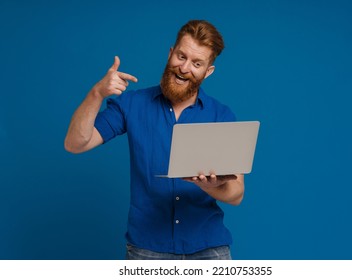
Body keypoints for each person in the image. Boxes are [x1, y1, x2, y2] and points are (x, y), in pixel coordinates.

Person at [64, 20, 244, 260]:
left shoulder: (221, 116)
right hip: (146, 250)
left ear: (208, 71)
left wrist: (209, 186)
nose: (185, 68)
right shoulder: (132, 104)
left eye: (197, 63)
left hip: (209, 250)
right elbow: (75, 143)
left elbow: (236, 193)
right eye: (181, 56)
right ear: (171, 53)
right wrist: (97, 93)